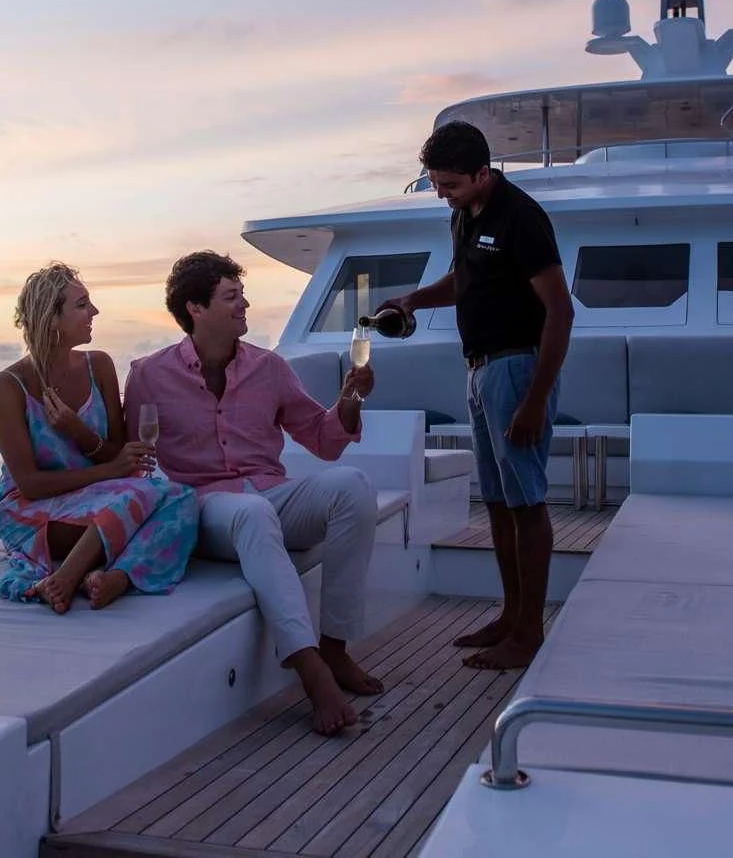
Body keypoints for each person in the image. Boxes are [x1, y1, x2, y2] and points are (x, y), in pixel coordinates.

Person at [125, 251, 380, 735]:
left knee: (353, 486)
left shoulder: (270, 368)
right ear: (195, 309)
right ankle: (311, 672)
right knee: (250, 514)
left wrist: (350, 396)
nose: (244, 304)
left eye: (242, 295)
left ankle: (335, 648)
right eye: (231, 297)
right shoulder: (148, 375)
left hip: (268, 494)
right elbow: (134, 457)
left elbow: (325, 442)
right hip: (203, 509)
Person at [378, 121, 572, 671]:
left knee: (528, 503)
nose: (442, 194)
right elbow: (464, 279)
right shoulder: (464, 215)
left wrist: (535, 400)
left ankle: (529, 634)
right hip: (479, 369)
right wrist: (414, 298)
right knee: (496, 501)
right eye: (436, 184)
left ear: (483, 173)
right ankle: (510, 616)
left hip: (517, 369)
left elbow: (560, 311)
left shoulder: (522, 218)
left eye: (451, 185)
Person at [0, 263, 199, 612]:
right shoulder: (9, 386)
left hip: (98, 498)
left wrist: (79, 431)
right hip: (33, 511)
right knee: (137, 498)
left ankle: (112, 578)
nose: (95, 311)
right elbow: (30, 485)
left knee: (184, 498)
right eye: (82, 304)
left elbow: (114, 452)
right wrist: (111, 471)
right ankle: (68, 577)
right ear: (52, 317)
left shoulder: (98, 365)